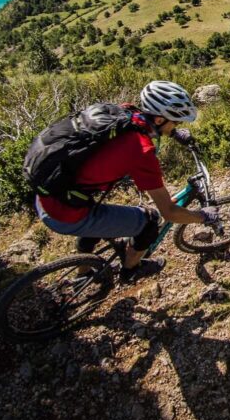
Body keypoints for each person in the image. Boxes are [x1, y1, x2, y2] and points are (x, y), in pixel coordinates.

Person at [34, 81, 218, 282]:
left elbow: (137, 130)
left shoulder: (123, 111)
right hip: (64, 213)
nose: (178, 125)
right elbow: (169, 212)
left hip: (50, 193)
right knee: (151, 222)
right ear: (158, 119)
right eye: (176, 122)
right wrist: (203, 217)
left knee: (98, 220)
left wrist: (173, 133)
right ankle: (131, 269)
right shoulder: (142, 152)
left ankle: (83, 274)